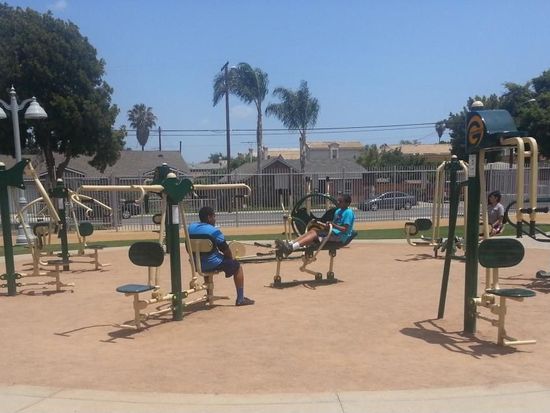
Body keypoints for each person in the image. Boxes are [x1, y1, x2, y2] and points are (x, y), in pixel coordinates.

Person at [188, 206, 254, 306]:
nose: (215, 219)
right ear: (209, 217)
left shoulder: (190, 228)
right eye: (214, 216)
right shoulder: (214, 231)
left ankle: (209, 295)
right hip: (212, 263)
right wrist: (231, 261)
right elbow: (226, 250)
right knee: (238, 267)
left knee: (207, 264)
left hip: (197, 264)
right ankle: (240, 299)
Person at [276, 194, 355, 256]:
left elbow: (345, 229)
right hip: (333, 233)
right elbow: (333, 226)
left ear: (347, 203)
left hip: (340, 236)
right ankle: (291, 244)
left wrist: (333, 225)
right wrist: (322, 224)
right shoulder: (338, 211)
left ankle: (292, 248)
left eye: (340, 201)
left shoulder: (348, 212)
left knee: (315, 233)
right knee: (313, 230)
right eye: (338, 201)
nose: (338, 203)